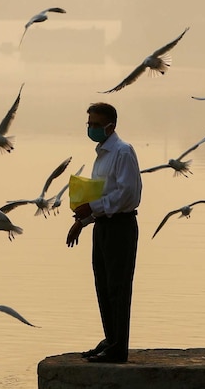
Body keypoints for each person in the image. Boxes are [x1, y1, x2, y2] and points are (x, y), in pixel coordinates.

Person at [66, 102, 142, 364]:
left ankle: (119, 347)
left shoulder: (123, 152)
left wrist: (93, 207)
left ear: (111, 125)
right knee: (104, 285)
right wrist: (83, 220)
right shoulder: (101, 156)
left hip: (121, 226)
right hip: (103, 226)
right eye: (89, 124)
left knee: (118, 287)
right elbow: (100, 196)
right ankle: (111, 339)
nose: (92, 128)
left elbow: (126, 194)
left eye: (97, 124)